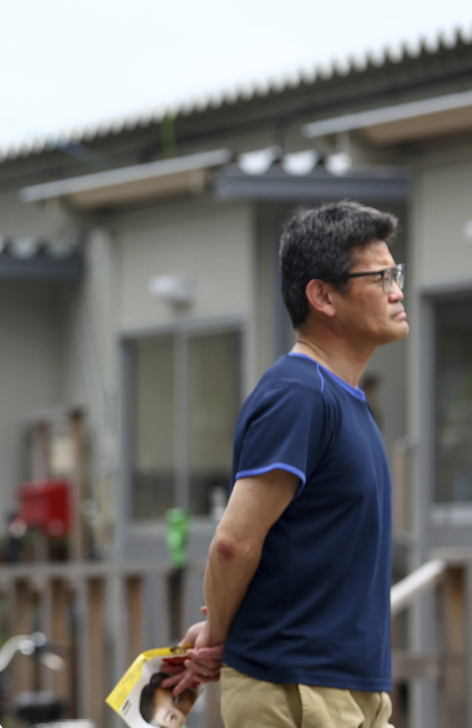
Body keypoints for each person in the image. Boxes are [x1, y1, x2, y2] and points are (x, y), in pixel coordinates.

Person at [170, 201, 405, 727]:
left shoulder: (343, 399)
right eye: (380, 277)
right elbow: (233, 543)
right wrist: (220, 636)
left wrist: (218, 631)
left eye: (397, 275)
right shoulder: (300, 394)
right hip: (295, 688)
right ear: (322, 295)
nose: (396, 291)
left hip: (346, 687)